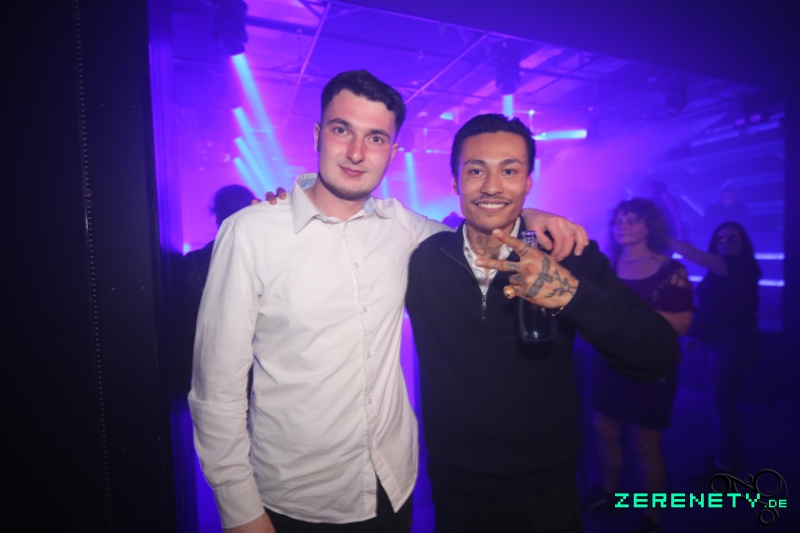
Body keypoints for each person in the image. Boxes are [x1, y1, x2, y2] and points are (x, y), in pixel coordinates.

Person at [190, 70, 588, 533]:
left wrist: (528, 212)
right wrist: (240, 512)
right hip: (297, 500)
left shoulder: (403, 228)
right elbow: (216, 388)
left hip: (392, 489)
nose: (357, 153)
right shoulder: (251, 233)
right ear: (318, 135)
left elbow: (476, 229)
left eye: (375, 138)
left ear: (392, 152)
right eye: (342, 130)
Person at [404, 114, 679, 533]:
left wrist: (571, 294)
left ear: (528, 182)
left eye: (509, 171)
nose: (492, 186)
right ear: (455, 182)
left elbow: (658, 355)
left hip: (546, 488)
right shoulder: (422, 259)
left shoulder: (568, 255)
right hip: (454, 488)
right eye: (476, 170)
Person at [583, 198, 693, 533]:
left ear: (650, 226)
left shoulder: (670, 270)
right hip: (608, 362)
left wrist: (631, 313)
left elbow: (683, 323)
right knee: (605, 431)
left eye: (632, 220)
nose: (624, 226)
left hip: (650, 366)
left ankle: (652, 515)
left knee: (645, 443)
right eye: (619, 220)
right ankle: (611, 494)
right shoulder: (606, 266)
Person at [669, 222, 761, 476]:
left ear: (743, 242)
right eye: (721, 239)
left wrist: (662, 235)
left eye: (733, 238)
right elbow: (710, 303)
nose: (727, 243)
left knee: (721, 402)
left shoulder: (741, 266)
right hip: (712, 339)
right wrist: (695, 334)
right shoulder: (718, 268)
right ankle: (730, 453)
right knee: (722, 401)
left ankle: (725, 465)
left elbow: (693, 254)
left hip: (731, 341)